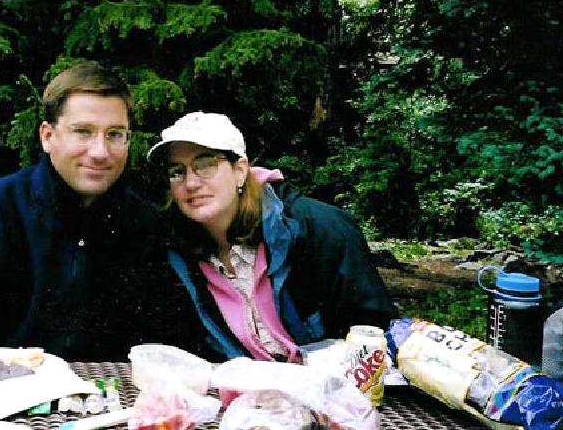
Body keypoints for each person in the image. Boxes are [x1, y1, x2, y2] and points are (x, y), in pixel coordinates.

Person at [0, 60, 179, 361]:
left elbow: (163, 344)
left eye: (114, 134)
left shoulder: (143, 226)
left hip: (112, 388)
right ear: (47, 136)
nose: (100, 152)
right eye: (83, 132)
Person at [147, 111, 397, 361]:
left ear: (239, 170)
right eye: (177, 171)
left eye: (205, 165)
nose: (190, 183)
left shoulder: (321, 230)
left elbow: (375, 335)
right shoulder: (174, 252)